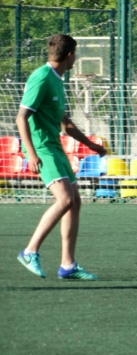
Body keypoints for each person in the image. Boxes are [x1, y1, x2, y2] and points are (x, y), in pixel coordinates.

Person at [16, 34, 107, 279]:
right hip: (41, 148)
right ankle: (29, 251)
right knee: (65, 199)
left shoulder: (57, 79)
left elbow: (64, 122)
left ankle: (68, 265)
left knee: (75, 201)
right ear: (69, 55)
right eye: (75, 54)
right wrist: (31, 154)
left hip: (54, 146)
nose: (76, 59)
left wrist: (90, 144)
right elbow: (21, 117)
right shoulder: (42, 77)